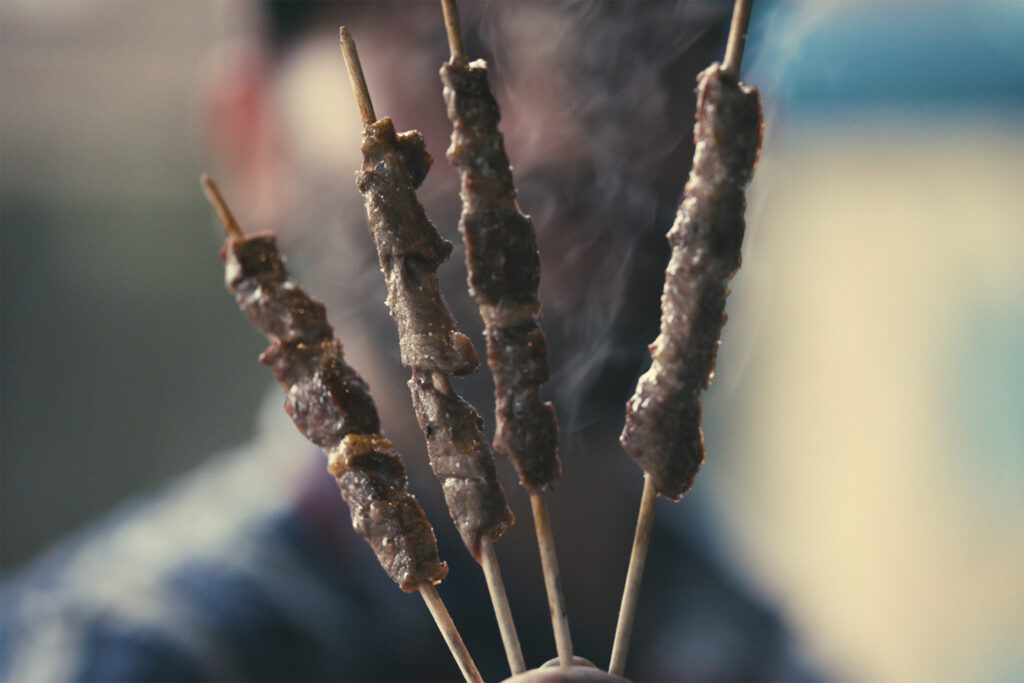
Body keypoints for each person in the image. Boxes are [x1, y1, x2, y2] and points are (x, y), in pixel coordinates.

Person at [1, 2, 818, 680]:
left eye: (636, 56)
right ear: (256, 132)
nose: (562, 134)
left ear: (742, 141)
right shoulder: (112, 655)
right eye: (448, 47)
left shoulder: (772, 659)